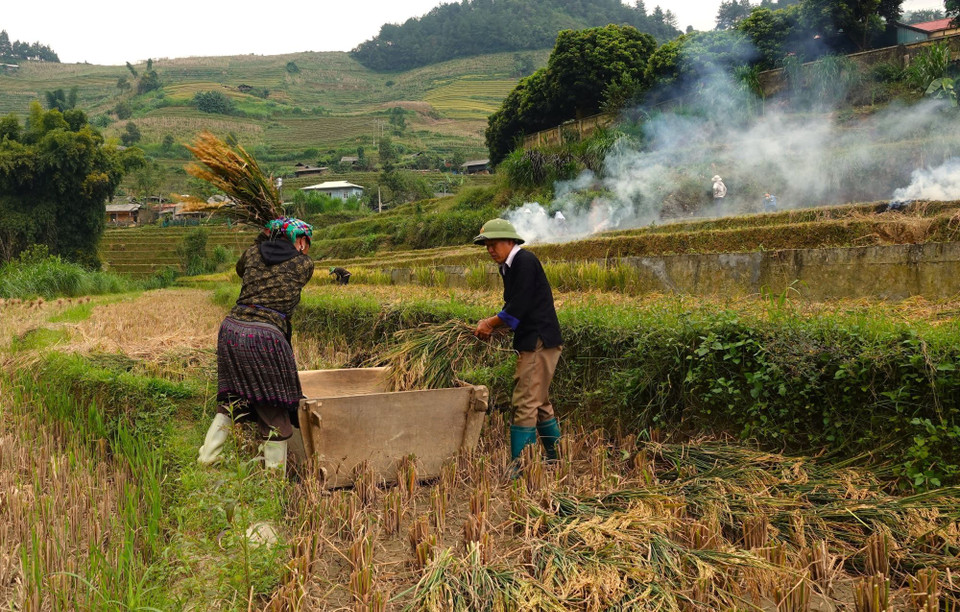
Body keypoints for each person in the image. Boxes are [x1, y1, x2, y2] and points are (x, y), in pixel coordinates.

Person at [198, 217, 315, 470]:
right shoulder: (304, 264)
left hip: (232, 330)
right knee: (275, 408)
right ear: (300, 241)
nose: (307, 247)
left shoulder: (252, 253)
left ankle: (207, 458)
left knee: (231, 400)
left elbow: (242, 268)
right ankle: (273, 484)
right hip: (265, 338)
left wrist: (263, 237)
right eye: (307, 241)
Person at [472, 218, 563, 470]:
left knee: (524, 401)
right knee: (539, 400)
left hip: (539, 341)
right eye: (486, 245)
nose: (490, 249)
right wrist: (499, 324)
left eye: (494, 243)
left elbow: (517, 307)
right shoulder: (508, 266)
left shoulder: (524, 262)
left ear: (510, 241)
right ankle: (555, 458)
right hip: (532, 339)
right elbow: (514, 308)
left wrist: (490, 323)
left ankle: (521, 466)